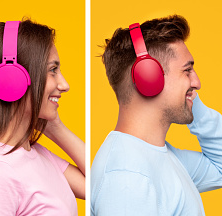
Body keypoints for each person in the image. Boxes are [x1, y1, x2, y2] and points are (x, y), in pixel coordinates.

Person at [91, 15, 222, 215]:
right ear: (148, 78)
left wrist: (187, 95)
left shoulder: (160, 156)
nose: (197, 82)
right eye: (187, 71)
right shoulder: (128, 177)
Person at [0, 20, 85, 216]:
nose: (65, 84)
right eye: (53, 70)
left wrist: (56, 126)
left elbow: (100, 188)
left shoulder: (36, 155)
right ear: (12, 78)